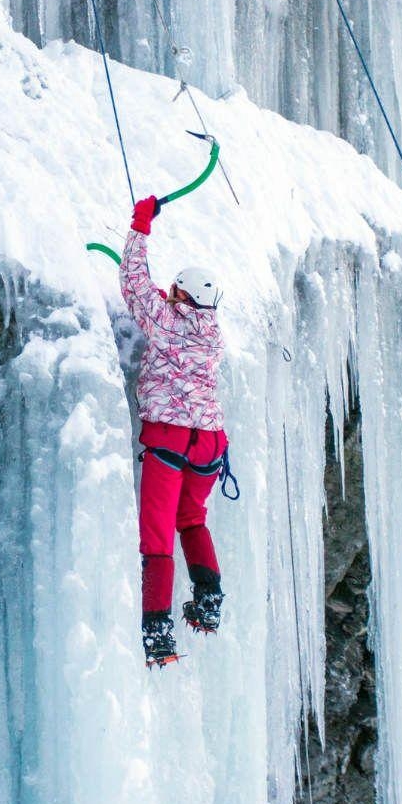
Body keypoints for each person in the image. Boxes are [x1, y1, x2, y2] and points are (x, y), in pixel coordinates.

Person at [122, 194, 228, 667]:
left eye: (173, 291)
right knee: (192, 519)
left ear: (181, 295)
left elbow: (133, 283)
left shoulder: (165, 322)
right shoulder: (213, 335)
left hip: (168, 437)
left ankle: (158, 632)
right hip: (208, 443)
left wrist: (141, 223)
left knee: (157, 537)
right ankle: (209, 599)